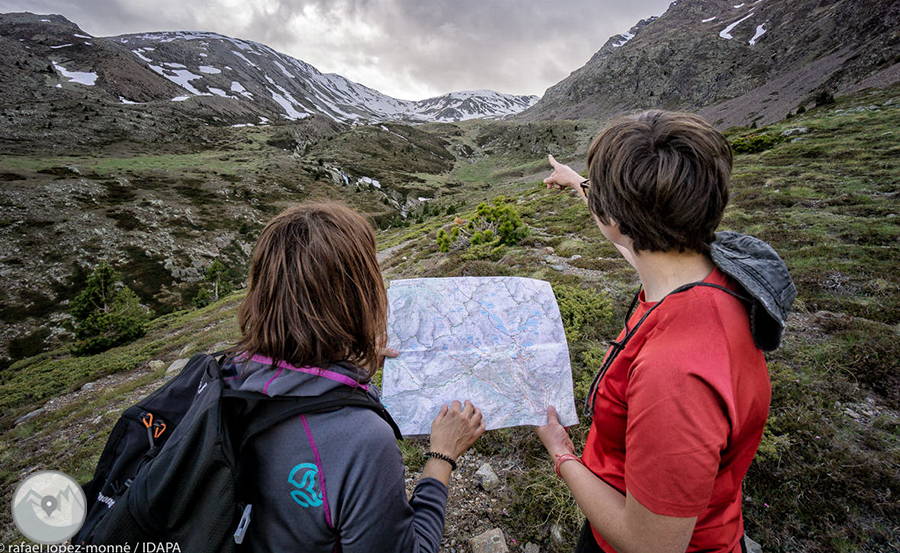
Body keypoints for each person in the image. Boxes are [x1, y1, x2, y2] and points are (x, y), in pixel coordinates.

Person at [536, 111, 794, 553]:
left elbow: (650, 545)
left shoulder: (674, 376)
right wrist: (579, 182)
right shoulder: (713, 274)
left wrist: (562, 454)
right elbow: (633, 238)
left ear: (614, 216)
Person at [222, 202, 485, 552]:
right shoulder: (363, 440)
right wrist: (443, 455)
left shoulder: (228, 372)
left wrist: (348, 363)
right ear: (357, 297)